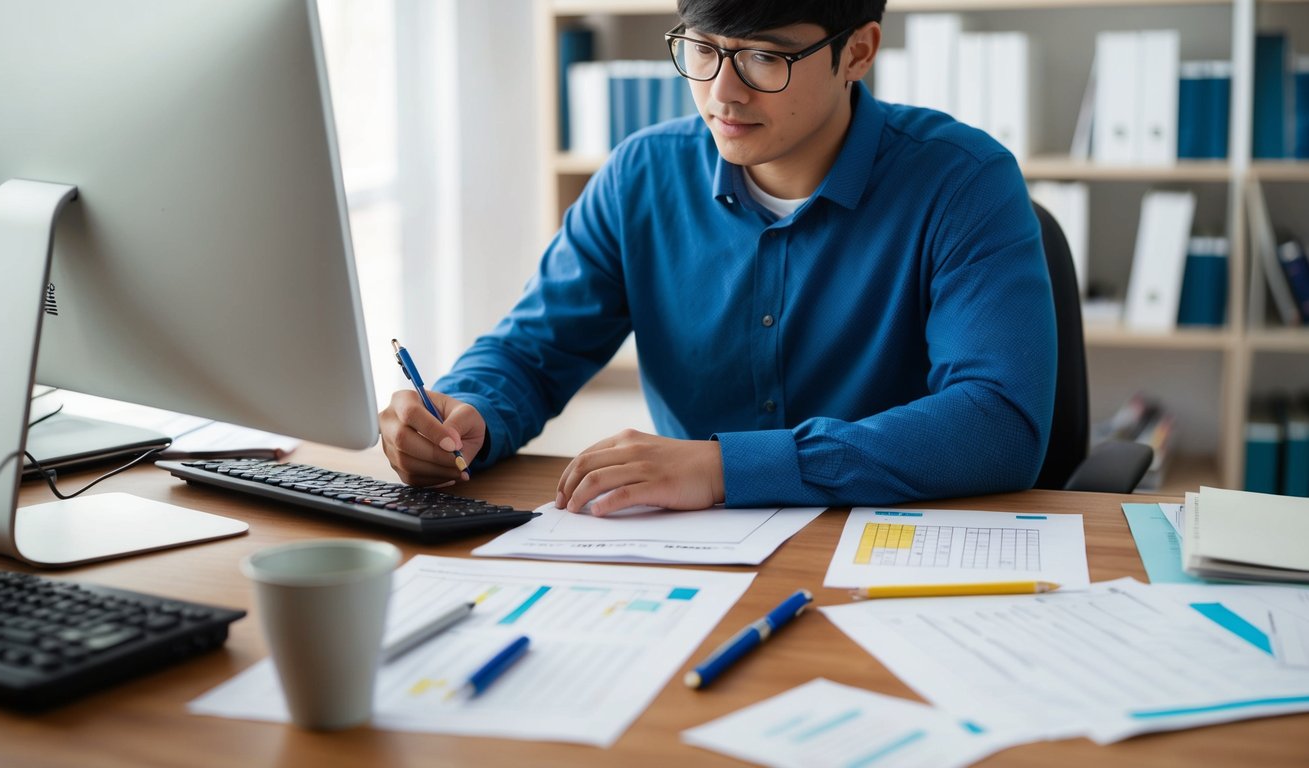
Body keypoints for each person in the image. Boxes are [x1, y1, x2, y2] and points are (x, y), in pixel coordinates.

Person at [379, 0, 1056, 517]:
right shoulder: (642, 173)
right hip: (695, 555)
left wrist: (725, 468)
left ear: (856, 52)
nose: (722, 93)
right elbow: (531, 351)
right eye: (701, 49)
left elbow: (996, 422)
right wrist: (466, 413)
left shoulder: (962, 181)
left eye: (765, 57)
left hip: (895, 550)